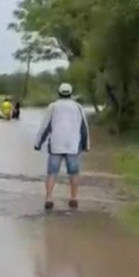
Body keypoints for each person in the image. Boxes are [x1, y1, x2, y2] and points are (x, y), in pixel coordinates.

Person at [34, 82, 90, 211]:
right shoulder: (78, 107)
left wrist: (38, 143)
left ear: (59, 93)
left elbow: (45, 127)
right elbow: (84, 128)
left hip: (56, 145)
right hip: (73, 145)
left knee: (52, 173)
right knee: (74, 173)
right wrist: (86, 145)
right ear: (71, 93)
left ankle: (49, 198)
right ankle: (74, 198)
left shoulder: (53, 107)